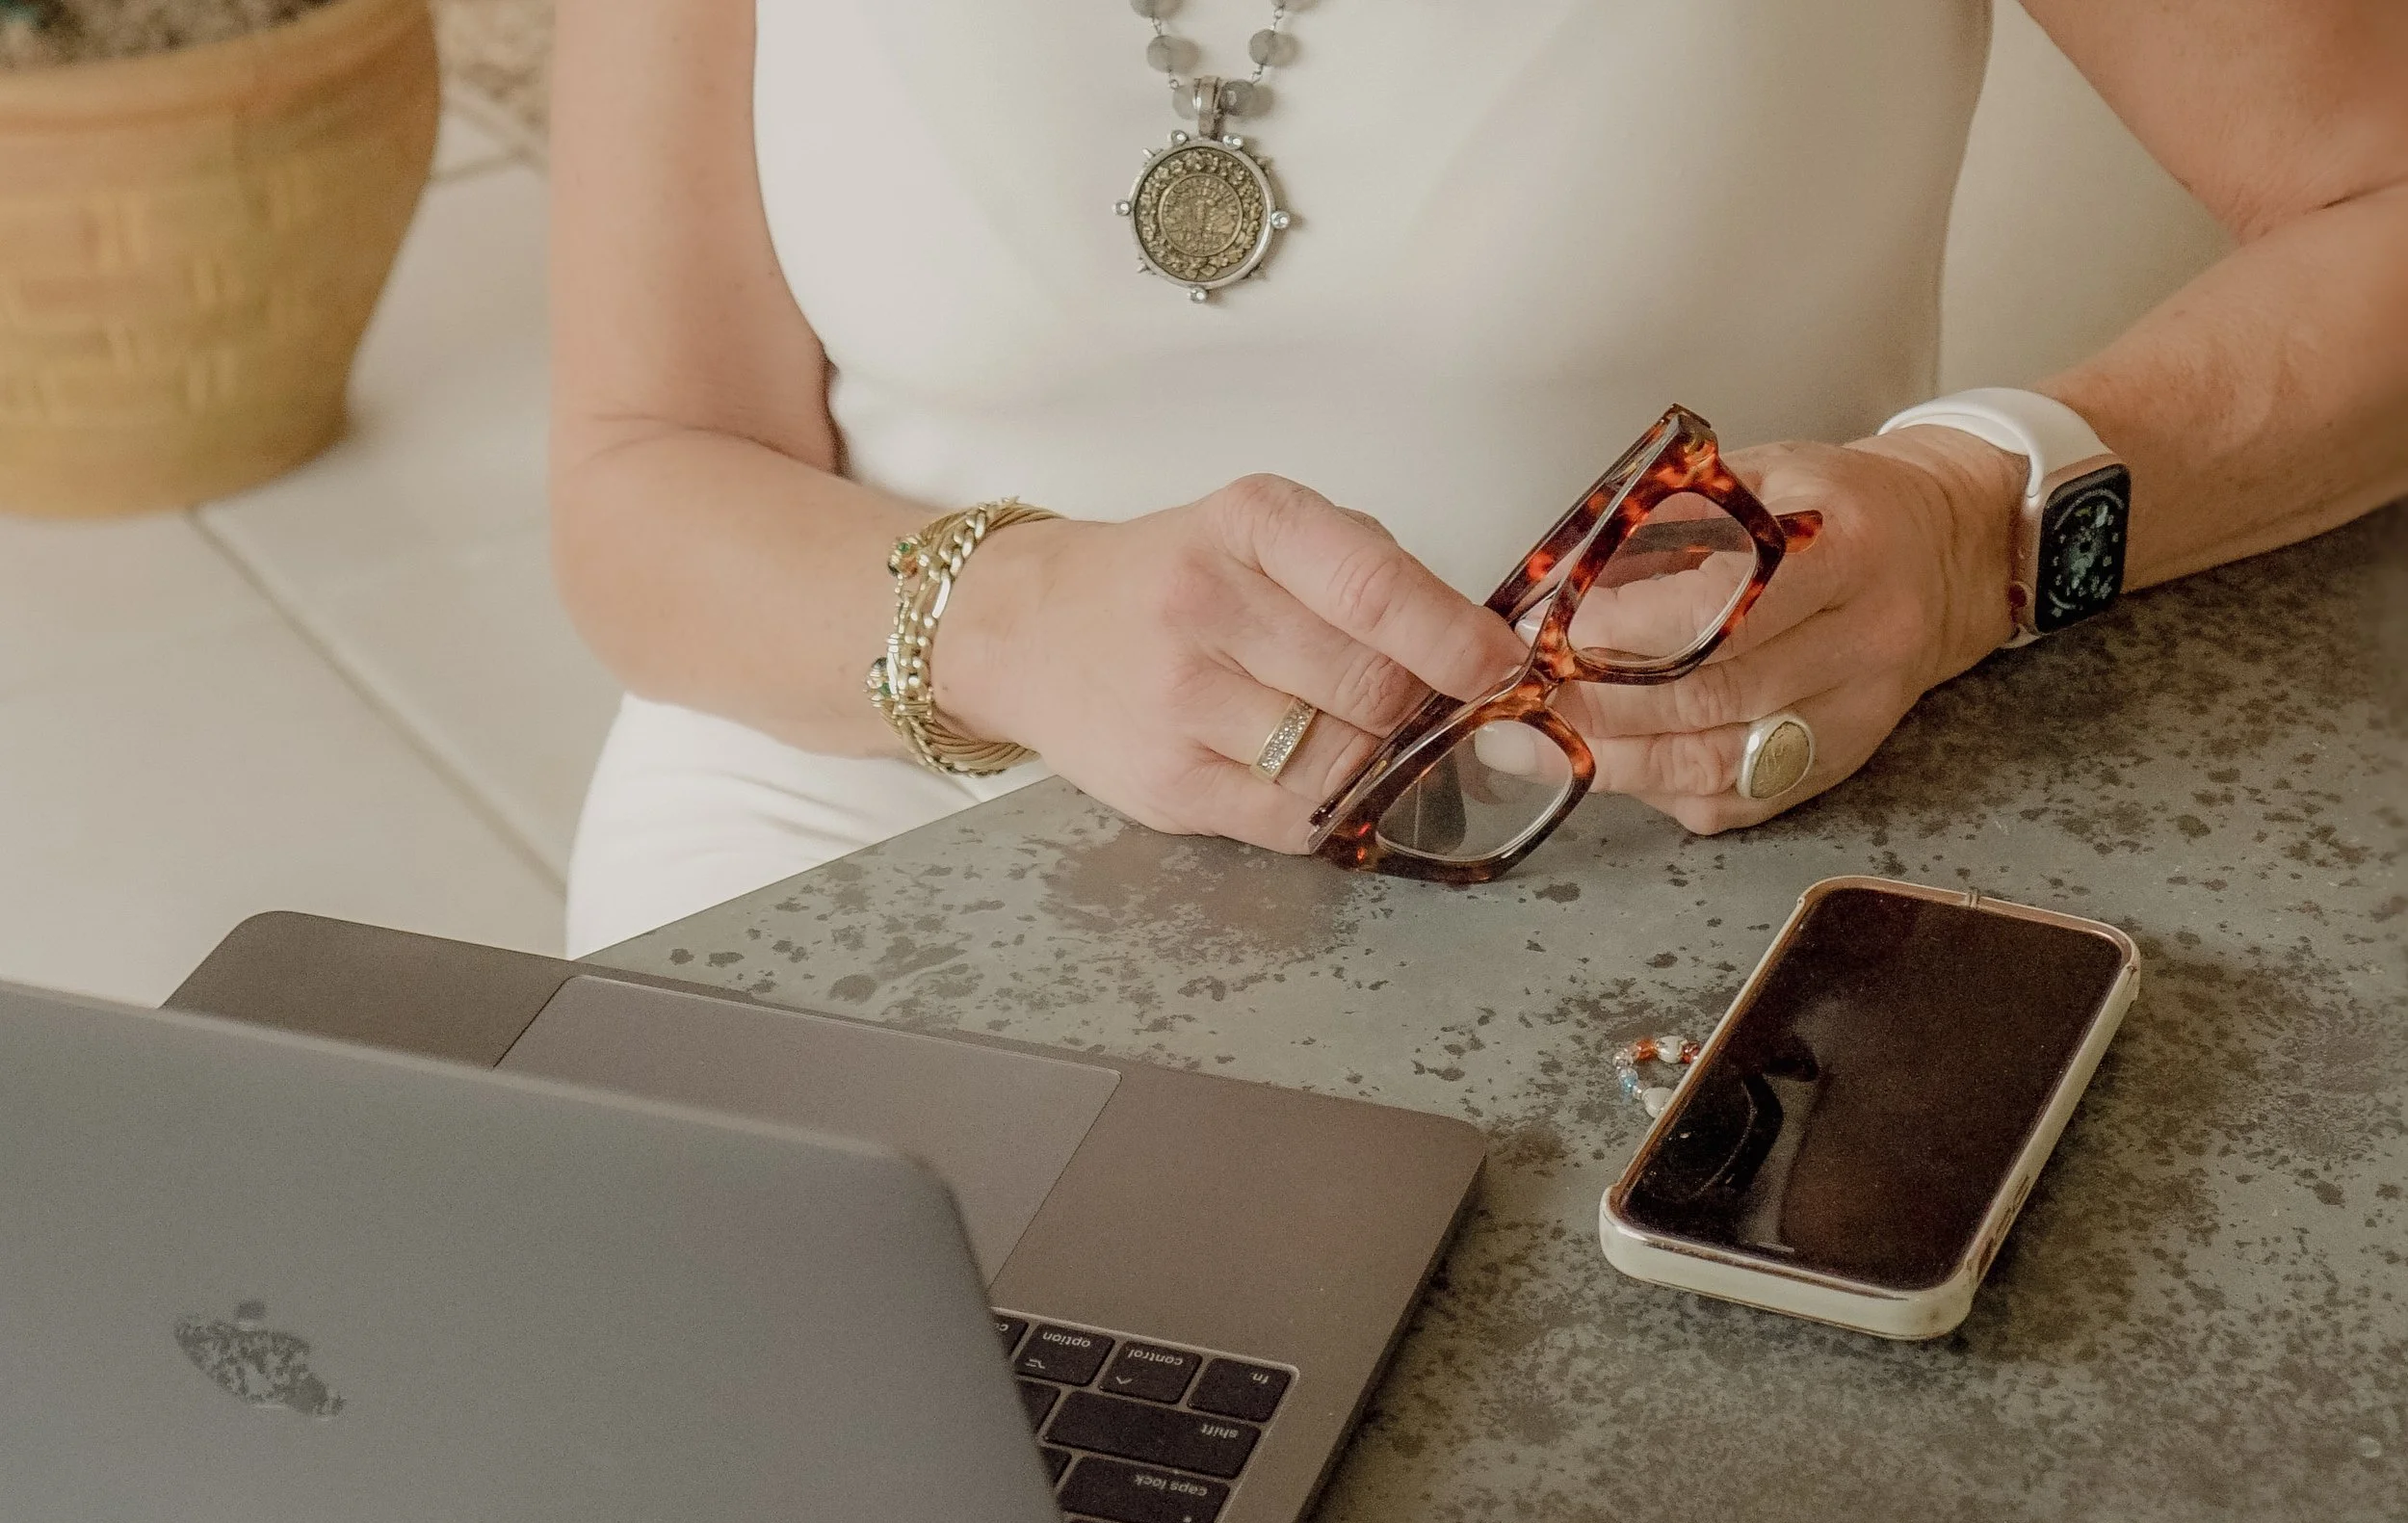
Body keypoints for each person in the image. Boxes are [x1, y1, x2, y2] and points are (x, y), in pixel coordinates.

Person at [549, 0, 2408, 957]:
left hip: (1637, 860)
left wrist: (1973, 526)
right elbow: (642, 468)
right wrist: (1005, 617)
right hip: (859, 830)